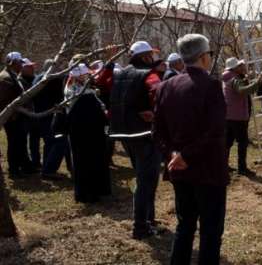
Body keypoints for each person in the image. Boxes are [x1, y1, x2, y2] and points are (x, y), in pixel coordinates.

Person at [153, 34, 228, 265]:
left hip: (179, 169)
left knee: (184, 225)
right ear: (204, 57)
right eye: (210, 54)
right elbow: (215, 131)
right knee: (210, 230)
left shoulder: (165, 86)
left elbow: (158, 132)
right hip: (207, 170)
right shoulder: (211, 85)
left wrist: (174, 155)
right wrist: (184, 155)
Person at [109, 40, 163, 240]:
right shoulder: (149, 75)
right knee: (146, 181)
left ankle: (149, 220)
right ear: (144, 56)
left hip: (124, 134)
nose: (154, 58)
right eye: (151, 54)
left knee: (142, 178)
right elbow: (160, 95)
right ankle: (141, 226)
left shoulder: (120, 73)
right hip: (144, 134)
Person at [64, 63, 111, 203]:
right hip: (87, 134)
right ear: (79, 76)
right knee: (87, 163)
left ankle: (90, 192)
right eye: (86, 74)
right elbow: (92, 113)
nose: (89, 76)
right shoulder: (78, 92)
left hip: (85, 133)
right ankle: (89, 194)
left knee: (86, 162)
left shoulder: (79, 89)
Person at [222, 58, 262, 177]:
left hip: (229, 115)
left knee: (227, 142)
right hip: (237, 116)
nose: (243, 67)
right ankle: (242, 168)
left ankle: (223, 166)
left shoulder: (227, 77)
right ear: (235, 68)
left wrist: (247, 79)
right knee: (242, 142)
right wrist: (257, 83)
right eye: (241, 66)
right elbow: (242, 90)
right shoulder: (234, 79)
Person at [0, 52, 35, 178]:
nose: (21, 65)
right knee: (14, 144)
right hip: (12, 118)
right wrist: (13, 114)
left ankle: (22, 167)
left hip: (17, 116)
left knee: (19, 143)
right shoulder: (5, 78)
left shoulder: (12, 75)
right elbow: (3, 100)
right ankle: (14, 170)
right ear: (13, 63)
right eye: (20, 62)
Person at [19, 58, 40, 171]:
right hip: (24, 115)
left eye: (32, 66)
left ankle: (35, 162)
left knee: (34, 139)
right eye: (29, 66)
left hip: (34, 114)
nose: (32, 68)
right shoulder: (20, 80)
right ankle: (25, 163)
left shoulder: (35, 78)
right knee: (22, 140)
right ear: (23, 68)